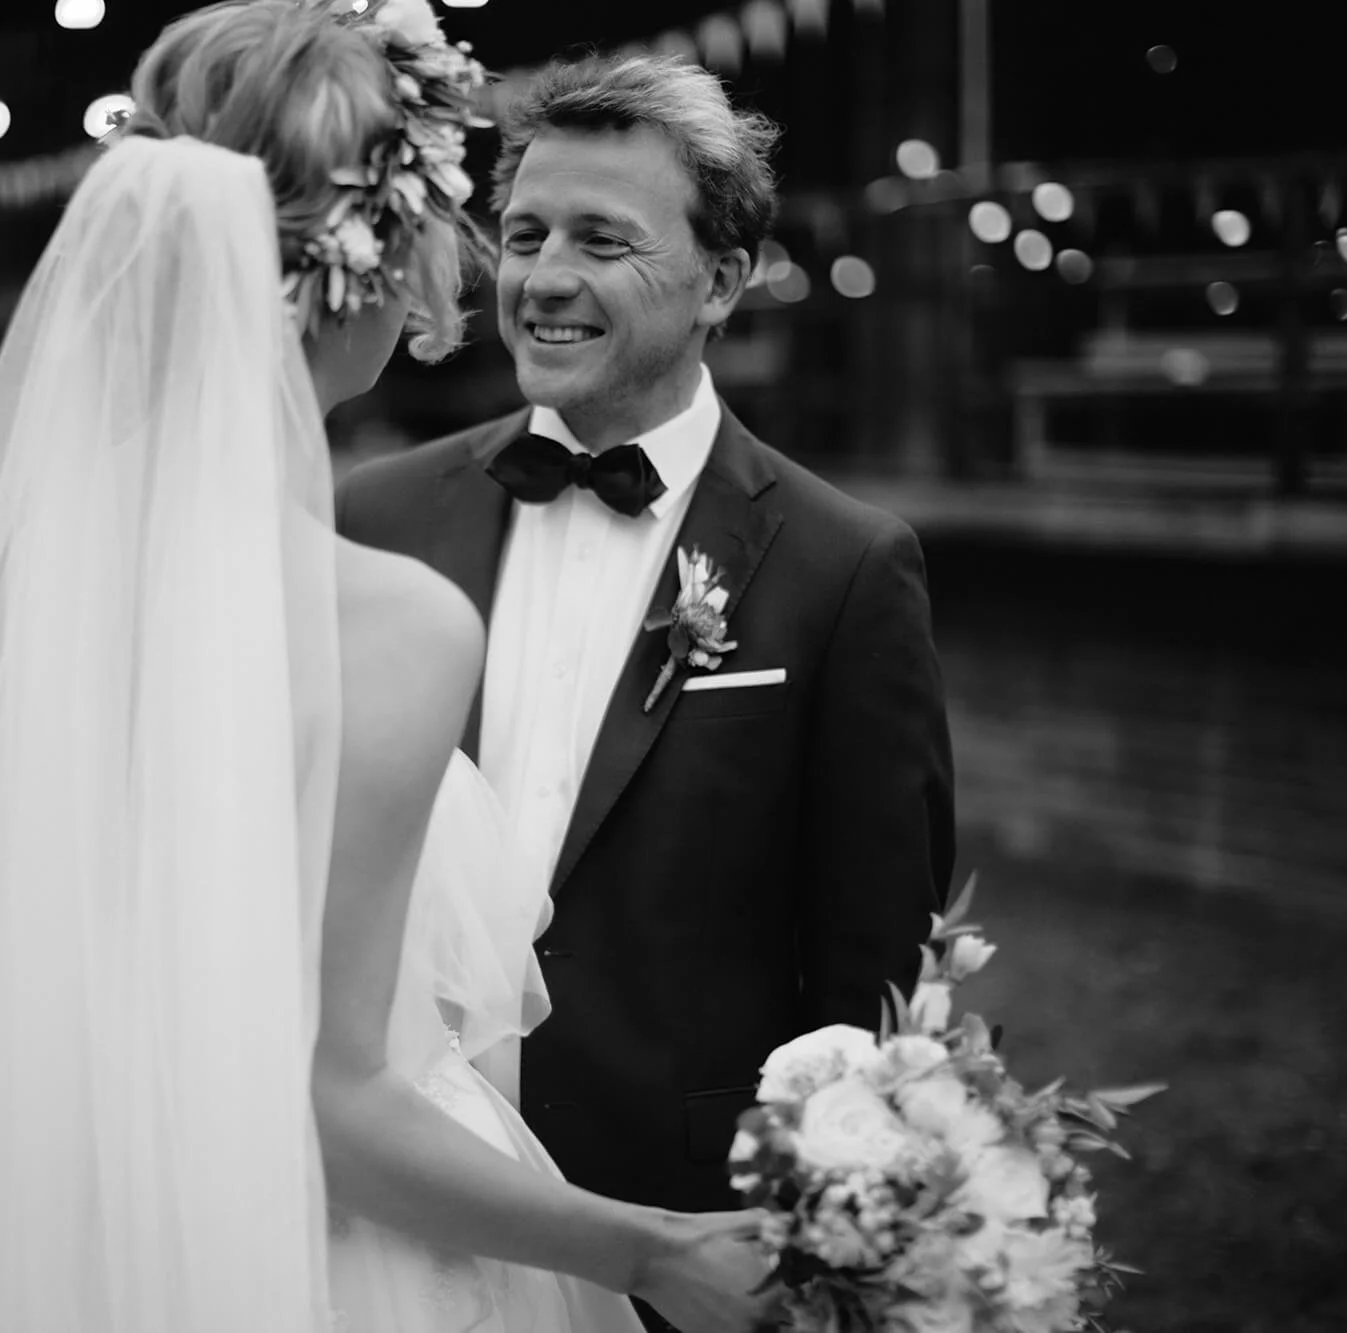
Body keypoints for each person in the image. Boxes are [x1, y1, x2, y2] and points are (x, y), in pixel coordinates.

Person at [0, 5, 779, 1332]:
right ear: (372, 248)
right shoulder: (384, 622)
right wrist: (654, 1252)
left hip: (101, 1210)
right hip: (315, 1264)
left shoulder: (59, 568)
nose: (479, 253)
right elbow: (334, 1103)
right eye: (454, 206)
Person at [335, 51, 957, 1329]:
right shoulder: (374, 522)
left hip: (690, 1224)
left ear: (720, 281)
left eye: (603, 240)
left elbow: (877, 978)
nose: (543, 278)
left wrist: (842, 1232)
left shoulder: (843, 567)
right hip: (396, 1204)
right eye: (522, 233)